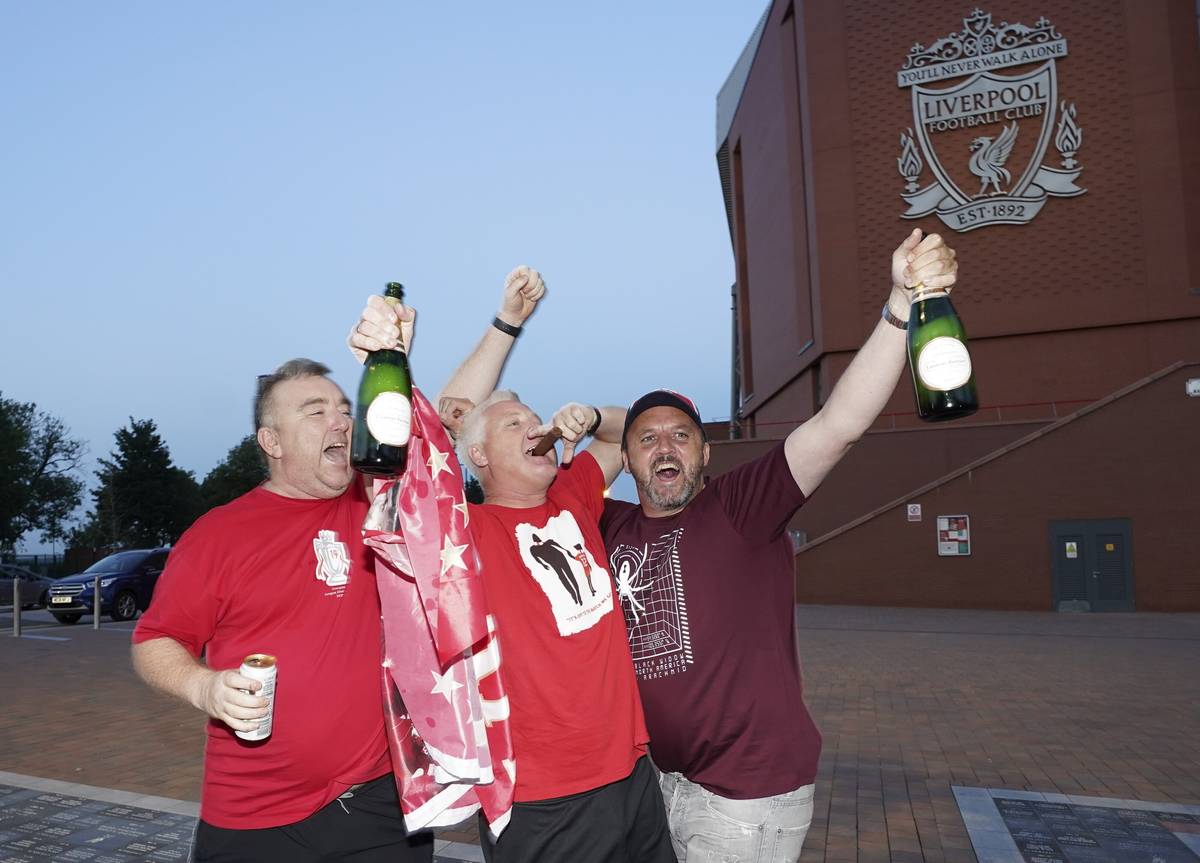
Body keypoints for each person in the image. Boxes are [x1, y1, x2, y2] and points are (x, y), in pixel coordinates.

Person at [598, 229, 959, 862]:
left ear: (706, 454)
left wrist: (900, 309)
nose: (664, 448)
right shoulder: (609, 526)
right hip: (656, 782)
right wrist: (596, 419)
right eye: (647, 439)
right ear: (624, 459)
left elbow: (837, 425)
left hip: (744, 795)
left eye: (681, 436)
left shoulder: (739, 508)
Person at [350, 266, 675, 863]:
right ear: (477, 456)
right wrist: (502, 325)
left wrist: (590, 417)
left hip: (630, 773)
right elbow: (433, 441)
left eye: (535, 417)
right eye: (513, 423)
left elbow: (628, 433)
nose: (535, 425)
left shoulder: (572, 498)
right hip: (542, 797)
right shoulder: (465, 533)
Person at [131, 348, 434, 860]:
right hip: (256, 816)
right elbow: (154, 639)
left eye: (344, 409)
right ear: (271, 441)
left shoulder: (378, 505)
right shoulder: (219, 535)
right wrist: (203, 686)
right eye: (316, 411)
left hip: (383, 805)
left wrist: (499, 325)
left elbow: (449, 414)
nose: (340, 420)